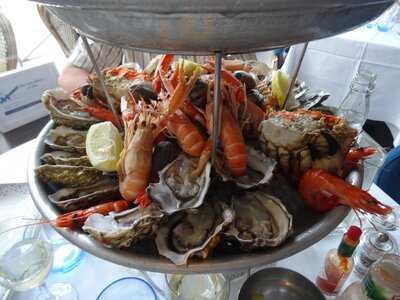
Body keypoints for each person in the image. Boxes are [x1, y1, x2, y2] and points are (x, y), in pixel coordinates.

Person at [58, 38, 257, 93]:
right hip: (147, 109)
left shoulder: (230, 15)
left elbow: (254, 70)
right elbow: (70, 74)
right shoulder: (120, 12)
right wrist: (103, 93)